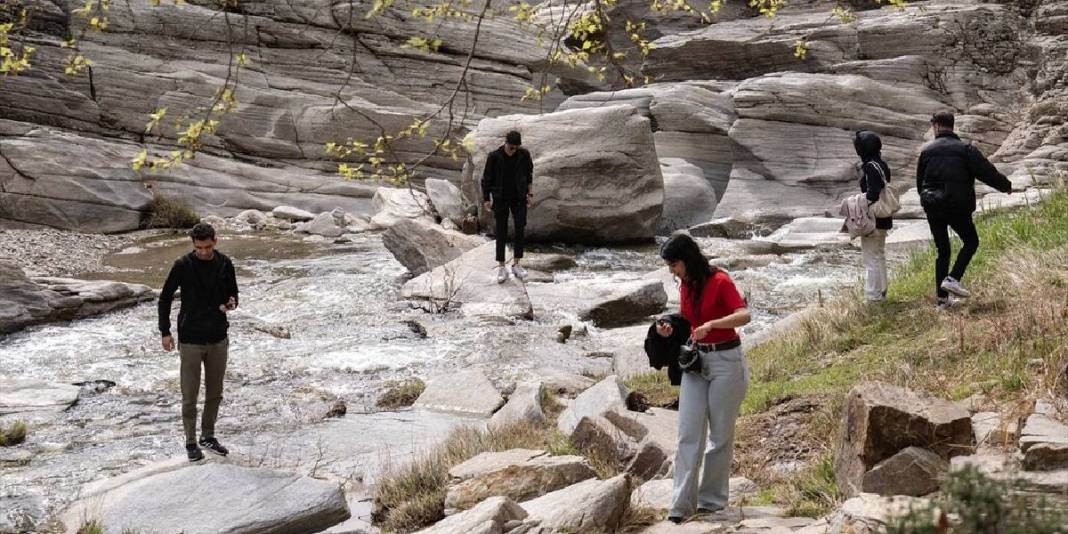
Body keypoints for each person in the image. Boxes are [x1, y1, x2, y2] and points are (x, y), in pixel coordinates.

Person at [656, 232, 751, 523]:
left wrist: (713, 324)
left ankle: (711, 502)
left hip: (726, 361)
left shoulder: (720, 281)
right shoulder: (685, 284)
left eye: (674, 264)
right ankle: (680, 506)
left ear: (687, 259)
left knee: (720, 435)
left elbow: (744, 315)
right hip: (697, 364)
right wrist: (669, 327)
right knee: (688, 434)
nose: (671, 270)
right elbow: (689, 318)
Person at [158, 222, 239, 461]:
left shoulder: (225, 263)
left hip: (218, 337)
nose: (203, 251)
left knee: (215, 392)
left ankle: (208, 436)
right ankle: (191, 442)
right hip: (190, 338)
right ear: (193, 244)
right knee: (189, 395)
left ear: (216, 240)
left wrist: (231, 303)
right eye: (199, 247)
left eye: (207, 246)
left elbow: (234, 294)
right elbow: (164, 299)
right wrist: (165, 331)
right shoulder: (182, 265)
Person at [917, 111, 1012, 309]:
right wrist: (1006, 186)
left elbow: (920, 183)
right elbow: (987, 172)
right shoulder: (965, 149)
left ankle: (942, 301)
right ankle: (953, 278)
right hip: (957, 206)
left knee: (942, 251)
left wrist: (927, 202)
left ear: (935, 126)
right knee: (971, 241)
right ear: (952, 126)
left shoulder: (926, 152)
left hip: (933, 206)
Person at [481, 130, 534, 284]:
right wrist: (486, 199)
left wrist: (530, 195)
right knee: (501, 231)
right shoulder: (494, 157)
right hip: (501, 198)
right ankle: (501, 267)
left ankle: (516, 264)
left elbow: (529, 174)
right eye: (511, 147)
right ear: (505, 143)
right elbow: (486, 179)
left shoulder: (524, 155)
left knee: (520, 228)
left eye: (516, 148)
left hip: (519, 198)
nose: (514, 150)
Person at [854, 130, 893, 302]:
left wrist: (855, 201)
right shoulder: (882, 164)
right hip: (884, 216)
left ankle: (873, 297)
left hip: (872, 218)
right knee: (879, 254)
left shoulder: (870, 166)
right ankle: (882, 292)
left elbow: (872, 193)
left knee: (870, 258)